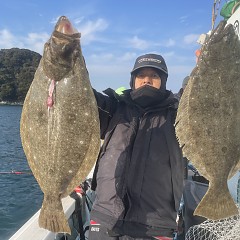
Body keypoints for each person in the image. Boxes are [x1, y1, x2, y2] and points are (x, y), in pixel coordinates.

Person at [88, 53, 184, 240]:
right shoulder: (114, 107)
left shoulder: (178, 112)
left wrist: (204, 68)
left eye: (154, 76)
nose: (147, 80)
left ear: (163, 81)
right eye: (141, 76)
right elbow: (82, 96)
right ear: (133, 80)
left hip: (155, 223)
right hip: (105, 215)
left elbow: (198, 97)